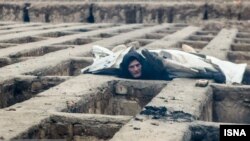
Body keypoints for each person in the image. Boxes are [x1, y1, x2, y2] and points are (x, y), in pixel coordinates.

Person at [82, 44, 249, 84]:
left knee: (225, 68)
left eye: (137, 65)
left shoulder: (152, 64)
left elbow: (179, 66)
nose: (135, 69)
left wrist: (209, 75)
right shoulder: (122, 72)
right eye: (131, 67)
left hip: (174, 59)